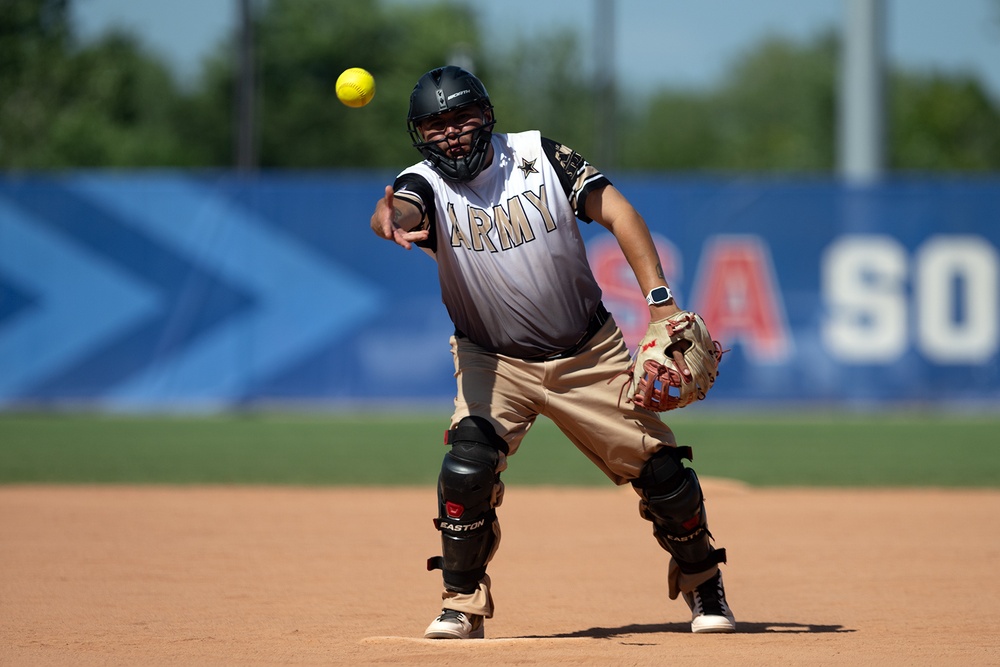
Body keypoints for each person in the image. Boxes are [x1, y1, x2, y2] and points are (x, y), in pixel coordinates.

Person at [370, 65, 735, 640]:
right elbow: (400, 209)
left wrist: (661, 305)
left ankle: (702, 578)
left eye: (461, 117)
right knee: (466, 466)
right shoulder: (422, 183)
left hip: (586, 353)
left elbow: (618, 212)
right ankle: (461, 600)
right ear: (420, 135)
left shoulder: (536, 157)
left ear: (485, 115)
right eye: (435, 125)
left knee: (663, 474)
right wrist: (390, 217)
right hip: (493, 360)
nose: (451, 133)